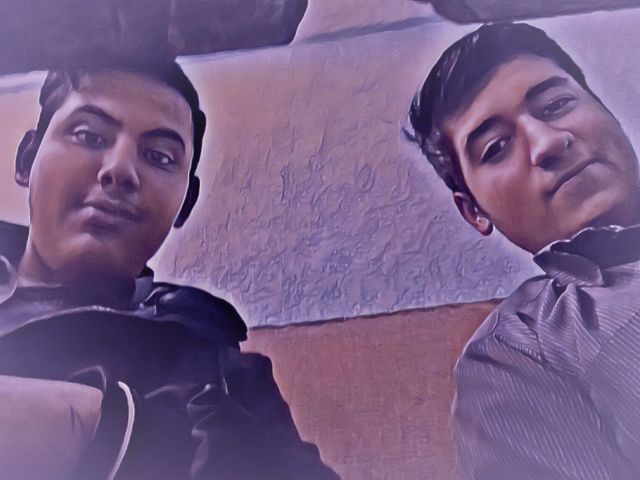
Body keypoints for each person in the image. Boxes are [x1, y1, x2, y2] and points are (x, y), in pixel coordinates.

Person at [0, 57, 339, 480]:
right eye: (89, 135)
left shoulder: (214, 371)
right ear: (27, 159)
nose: (119, 170)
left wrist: (115, 428)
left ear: (186, 203)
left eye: (159, 157)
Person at [408, 22, 640, 479]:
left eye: (556, 105)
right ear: (474, 211)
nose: (548, 142)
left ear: (606, 112)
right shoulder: (517, 352)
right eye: (496, 147)